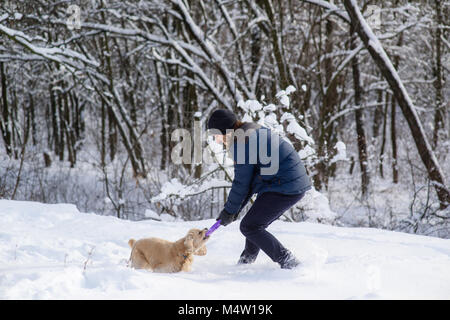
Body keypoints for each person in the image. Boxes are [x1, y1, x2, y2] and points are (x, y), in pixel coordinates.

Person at [207, 109, 312, 269]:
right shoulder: (250, 130)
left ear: (225, 131)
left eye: (216, 135)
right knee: (253, 222)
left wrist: (229, 211)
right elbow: (248, 182)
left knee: (250, 226)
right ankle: (246, 262)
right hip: (283, 182)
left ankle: (289, 262)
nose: (216, 140)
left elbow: (241, 183)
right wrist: (233, 210)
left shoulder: (240, 143)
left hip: (285, 184)